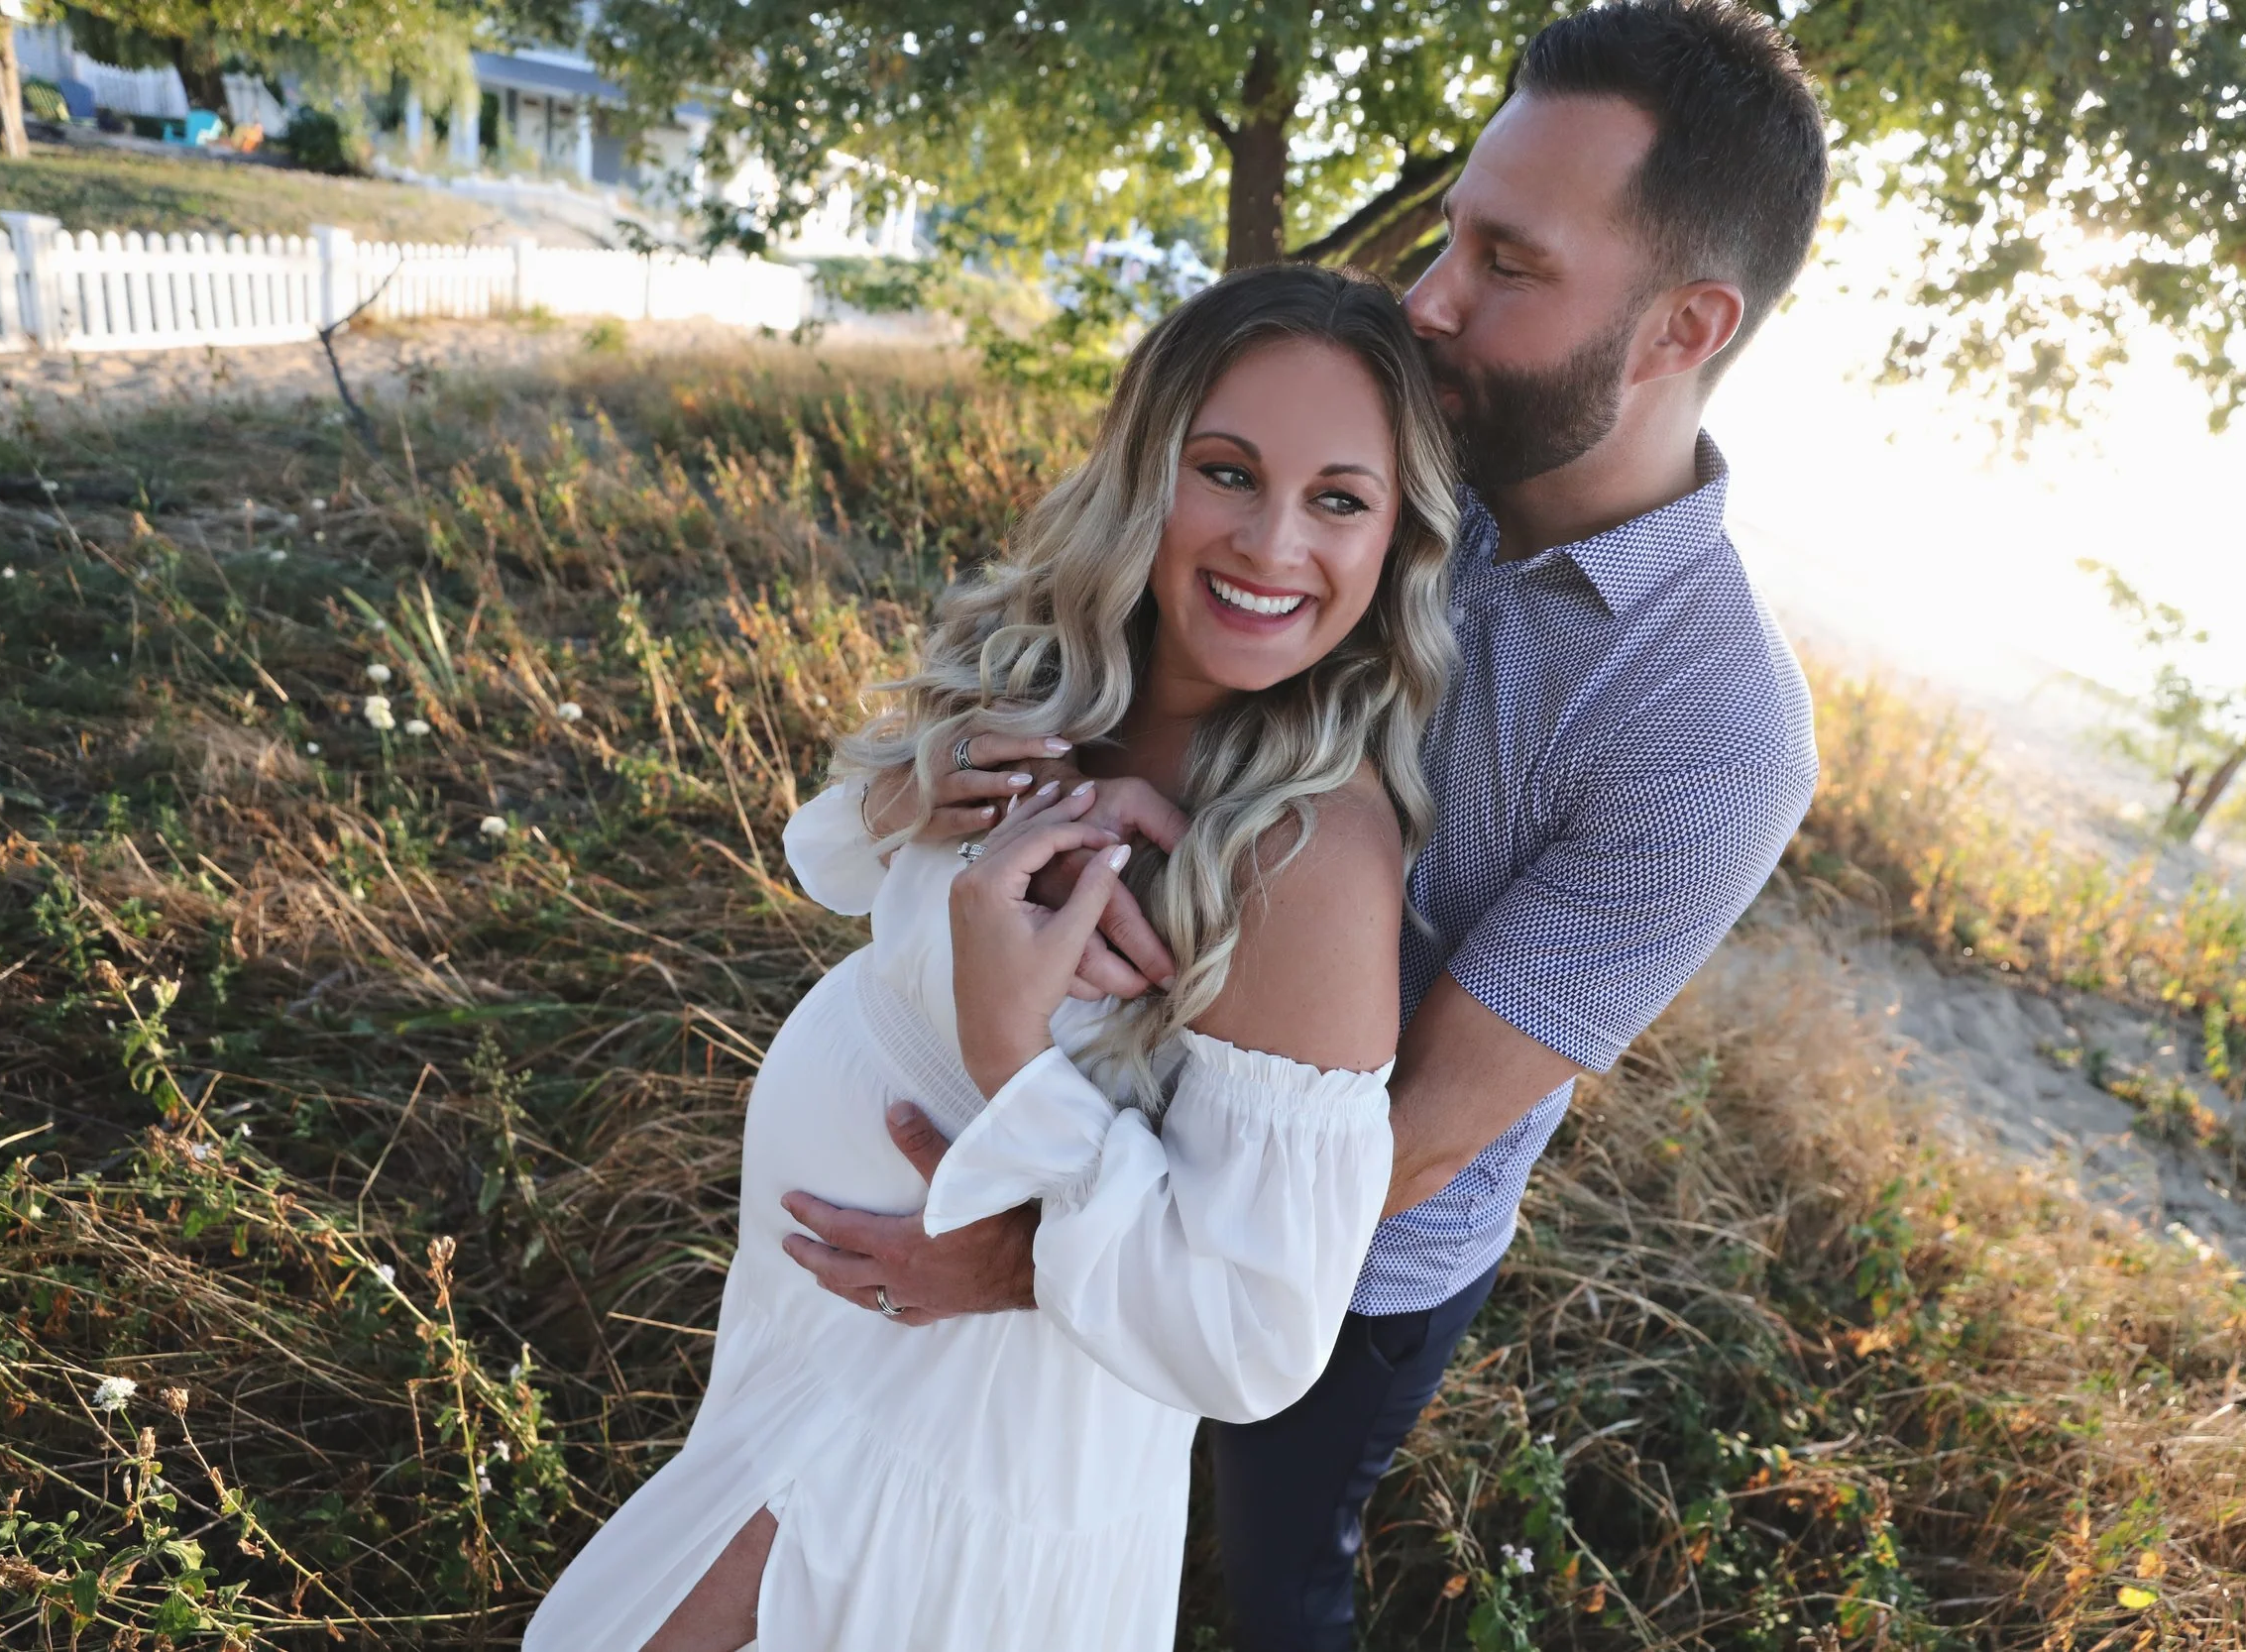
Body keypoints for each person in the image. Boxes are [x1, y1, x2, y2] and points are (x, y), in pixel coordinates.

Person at [777, 3, 1832, 1647]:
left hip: (1331, 1270)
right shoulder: (1393, 442)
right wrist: (983, 757)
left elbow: (1422, 1133)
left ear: (1682, 323)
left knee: (1268, 1578)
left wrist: (1034, 1256)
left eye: (1506, 260)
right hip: (1090, 1093)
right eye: (1452, 232)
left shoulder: (1716, 736)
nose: (1431, 297)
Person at [524, 262, 1462, 1652]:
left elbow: (1255, 1338)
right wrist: (917, 785)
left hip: (969, 1438)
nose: (1274, 543)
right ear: (1146, 470)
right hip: (811, 1342)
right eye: (1225, 470)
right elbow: (831, 861)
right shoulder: (1043, 669)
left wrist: (1010, 1052)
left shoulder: (1306, 855)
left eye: (1339, 498)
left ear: (1397, 540)